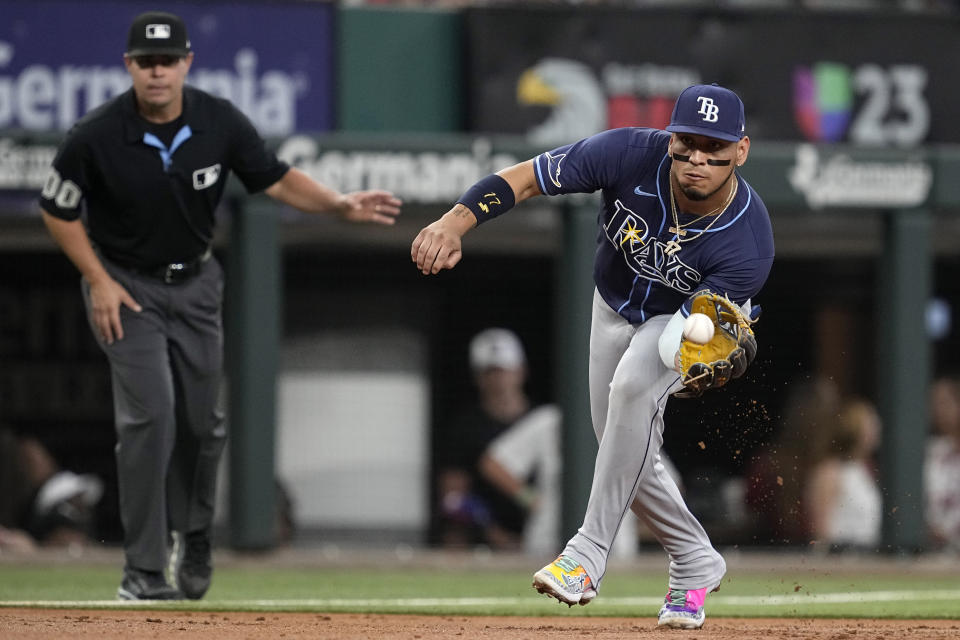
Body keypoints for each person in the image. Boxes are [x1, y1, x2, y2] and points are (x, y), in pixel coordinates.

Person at [38, 11, 401, 601]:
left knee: (204, 423)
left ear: (186, 63)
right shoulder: (97, 133)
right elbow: (57, 210)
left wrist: (336, 204)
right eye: (146, 62)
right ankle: (144, 569)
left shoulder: (217, 120)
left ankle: (196, 533)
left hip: (197, 283)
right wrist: (96, 279)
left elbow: (274, 178)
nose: (157, 73)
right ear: (129, 66)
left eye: (167, 61)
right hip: (126, 286)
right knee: (150, 416)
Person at [413, 83, 773, 629]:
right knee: (621, 447)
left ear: (740, 151)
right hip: (610, 304)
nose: (698, 158)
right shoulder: (628, 152)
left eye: (715, 148)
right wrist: (454, 221)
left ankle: (586, 554)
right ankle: (695, 559)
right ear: (670, 137)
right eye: (687, 143)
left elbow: (697, 329)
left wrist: (695, 360)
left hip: (677, 319)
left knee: (632, 387)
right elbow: (528, 177)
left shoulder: (748, 240)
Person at [435, 328, 538, 550]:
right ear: (477, 378)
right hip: (485, 537)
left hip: (540, 531)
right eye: (489, 372)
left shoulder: (542, 421)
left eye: (504, 371)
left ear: (521, 371)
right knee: (454, 537)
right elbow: (452, 498)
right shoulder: (466, 428)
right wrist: (497, 535)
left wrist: (535, 505)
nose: (498, 379)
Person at [804, 398, 882, 551]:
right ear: (855, 430)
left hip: (867, 558)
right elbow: (820, 531)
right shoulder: (830, 471)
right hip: (840, 560)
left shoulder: (864, 470)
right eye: (871, 425)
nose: (878, 429)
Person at [925, 376, 960, 551]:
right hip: (933, 548)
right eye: (934, 404)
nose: (939, 410)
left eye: (945, 403)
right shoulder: (930, 450)